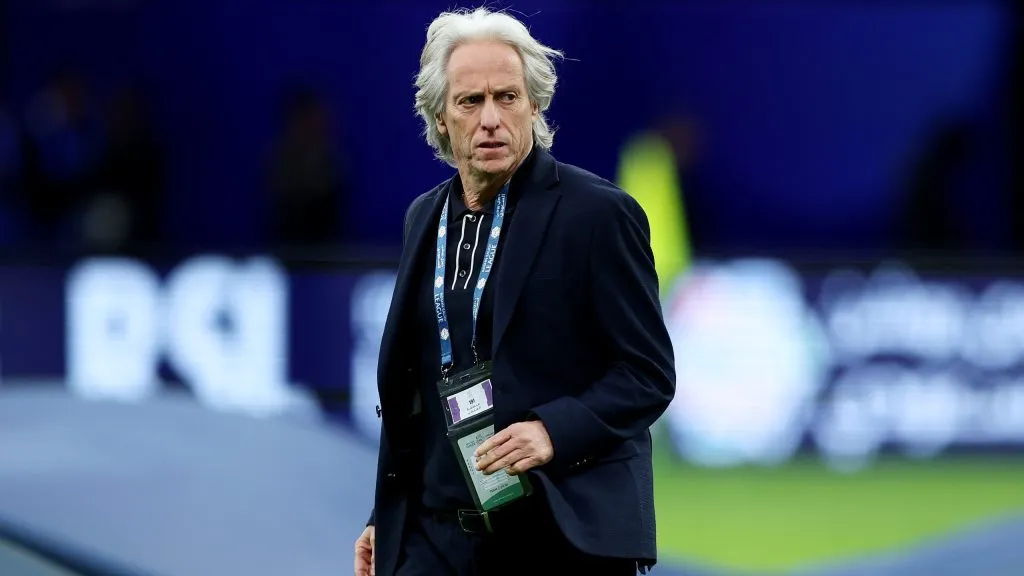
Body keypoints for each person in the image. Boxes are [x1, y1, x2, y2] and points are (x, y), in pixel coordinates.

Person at [355, 8, 675, 576]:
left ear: (535, 104)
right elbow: (417, 392)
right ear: (440, 118)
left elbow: (646, 373)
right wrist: (386, 517)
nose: (491, 120)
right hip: (435, 540)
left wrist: (554, 429)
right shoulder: (422, 219)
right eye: (470, 102)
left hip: (554, 539)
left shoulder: (597, 215)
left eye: (507, 97)